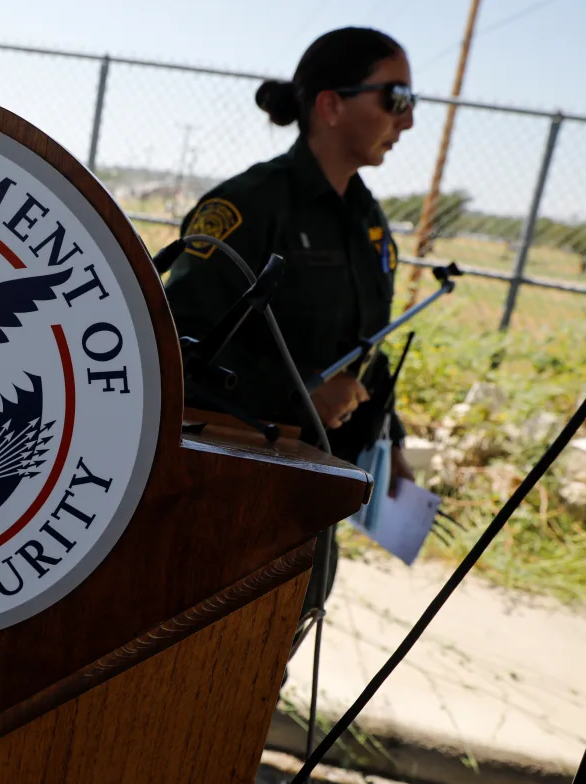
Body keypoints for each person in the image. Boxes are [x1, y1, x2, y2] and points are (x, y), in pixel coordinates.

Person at [161, 27, 417, 608]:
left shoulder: (366, 218)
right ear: (330, 105)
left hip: (319, 483)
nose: (407, 121)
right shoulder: (252, 205)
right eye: (396, 99)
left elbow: (364, 346)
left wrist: (391, 438)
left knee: (290, 630)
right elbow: (177, 341)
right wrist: (300, 391)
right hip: (237, 486)